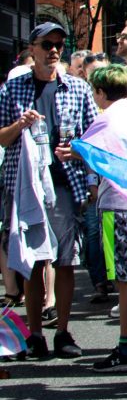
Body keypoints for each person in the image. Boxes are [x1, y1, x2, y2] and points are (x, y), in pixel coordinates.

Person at [0, 22, 98, 359]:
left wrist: (79, 153)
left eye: (60, 44)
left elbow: (94, 137)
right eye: (47, 44)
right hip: (25, 185)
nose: (54, 50)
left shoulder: (78, 88)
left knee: (65, 260)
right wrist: (20, 124)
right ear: (33, 49)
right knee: (34, 260)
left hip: (64, 183)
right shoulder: (12, 90)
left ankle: (63, 332)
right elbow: (2, 137)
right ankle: (35, 335)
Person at [87, 65, 127, 372]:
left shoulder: (105, 117)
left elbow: (85, 150)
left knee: (124, 277)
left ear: (100, 92)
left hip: (116, 203)